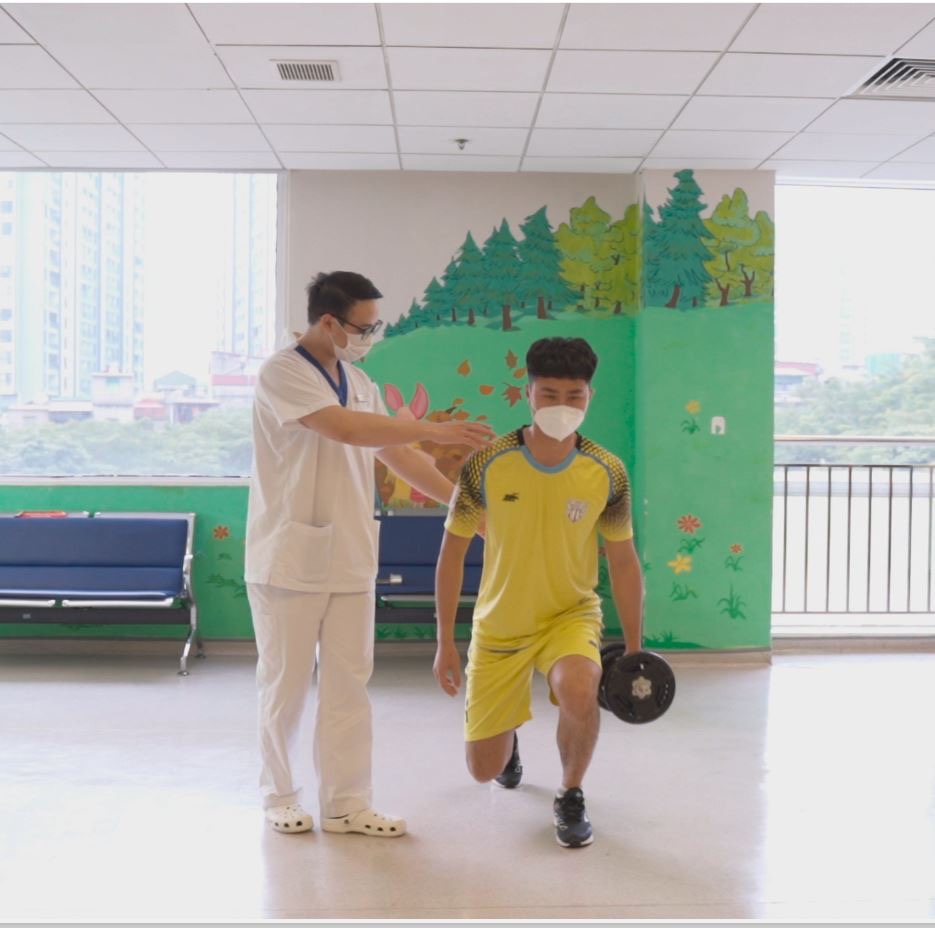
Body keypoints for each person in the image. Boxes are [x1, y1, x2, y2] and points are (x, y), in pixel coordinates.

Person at [245, 270, 493, 838]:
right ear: (329, 321)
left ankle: (347, 803)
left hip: (351, 557)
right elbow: (343, 430)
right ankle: (279, 795)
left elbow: (397, 455)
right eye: (364, 327)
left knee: (350, 685)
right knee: (284, 685)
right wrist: (433, 429)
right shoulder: (282, 371)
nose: (371, 337)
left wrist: (465, 508)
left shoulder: (358, 380)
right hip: (289, 556)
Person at [433, 336, 643, 849]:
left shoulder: (608, 470)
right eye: (549, 394)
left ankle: (571, 793)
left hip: (569, 614)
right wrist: (445, 641)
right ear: (528, 393)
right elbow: (453, 553)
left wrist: (636, 648)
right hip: (500, 624)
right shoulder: (487, 463)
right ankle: (507, 744)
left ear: (590, 396)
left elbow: (622, 560)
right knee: (485, 770)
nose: (561, 406)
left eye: (574, 396)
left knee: (580, 688)